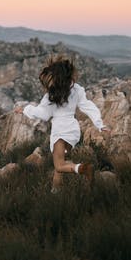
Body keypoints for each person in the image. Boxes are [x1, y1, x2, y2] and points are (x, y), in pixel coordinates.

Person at [14, 56, 111, 192]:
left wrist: (25, 109)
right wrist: (100, 124)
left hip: (60, 132)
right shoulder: (77, 90)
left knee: (59, 165)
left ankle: (83, 169)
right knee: (60, 165)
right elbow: (88, 106)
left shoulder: (51, 97)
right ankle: (56, 192)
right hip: (73, 131)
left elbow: (43, 114)